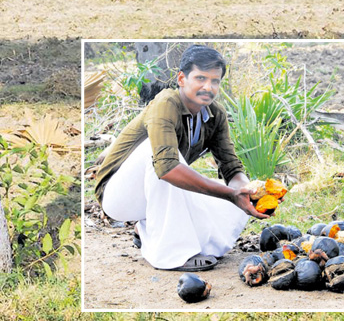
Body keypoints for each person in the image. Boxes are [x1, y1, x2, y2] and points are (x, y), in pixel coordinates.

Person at [93, 45, 268, 271]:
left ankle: (146, 230)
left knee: (226, 206)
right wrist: (230, 194)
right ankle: (171, 255)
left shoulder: (216, 114)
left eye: (215, 81)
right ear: (182, 78)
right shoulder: (166, 102)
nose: (208, 87)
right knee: (159, 155)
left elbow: (231, 169)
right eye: (200, 78)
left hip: (152, 193)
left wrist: (250, 192)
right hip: (117, 196)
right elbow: (167, 169)